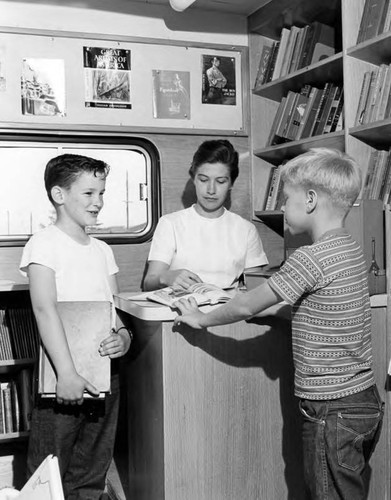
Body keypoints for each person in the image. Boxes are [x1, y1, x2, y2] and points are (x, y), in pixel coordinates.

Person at [173, 148, 384, 499]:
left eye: (287, 199)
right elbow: (316, 312)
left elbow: (247, 305)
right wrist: (250, 305)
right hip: (362, 401)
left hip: (330, 409)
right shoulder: (350, 247)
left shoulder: (309, 257)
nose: (283, 207)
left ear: (311, 200)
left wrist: (201, 318)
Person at [19, 154, 132, 499]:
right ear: (59, 195)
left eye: (101, 193)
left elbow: (115, 309)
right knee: (48, 470)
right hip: (61, 379)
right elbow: (44, 309)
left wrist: (124, 337)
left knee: (91, 469)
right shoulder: (43, 244)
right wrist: (67, 373)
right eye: (88, 193)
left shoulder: (102, 250)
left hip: (103, 376)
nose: (98, 202)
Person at [143, 139, 268, 291]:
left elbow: (257, 289)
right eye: (203, 180)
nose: (211, 190)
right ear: (194, 179)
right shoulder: (170, 223)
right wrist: (166, 277)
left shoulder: (246, 230)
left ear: (231, 184)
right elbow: (149, 282)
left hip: (227, 311)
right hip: (181, 309)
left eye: (221, 181)